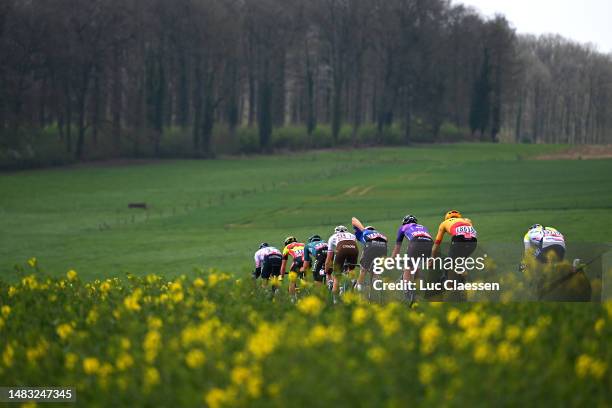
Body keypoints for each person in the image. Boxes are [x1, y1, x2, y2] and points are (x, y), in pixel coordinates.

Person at [392, 214, 434, 291]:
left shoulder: (403, 227)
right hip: (429, 243)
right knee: (416, 266)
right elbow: (426, 239)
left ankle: (407, 291)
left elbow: (398, 246)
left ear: (404, 222)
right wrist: (430, 258)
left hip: (416, 242)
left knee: (408, 266)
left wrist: (393, 258)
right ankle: (418, 289)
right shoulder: (423, 227)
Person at [351, 217, 387, 291]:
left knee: (363, 269)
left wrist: (363, 229)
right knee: (376, 271)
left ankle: (359, 288)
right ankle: (376, 286)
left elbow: (353, 219)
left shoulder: (364, 233)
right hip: (384, 247)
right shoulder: (380, 234)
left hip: (371, 246)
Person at [325, 225, 359, 296]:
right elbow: (350, 248)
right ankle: (352, 280)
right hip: (354, 248)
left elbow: (329, 257)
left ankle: (335, 300)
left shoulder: (332, 237)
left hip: (341, 248)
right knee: (351, 268)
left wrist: (327, 269)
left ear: (335, 232)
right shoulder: (352, 235)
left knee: (336, 276)